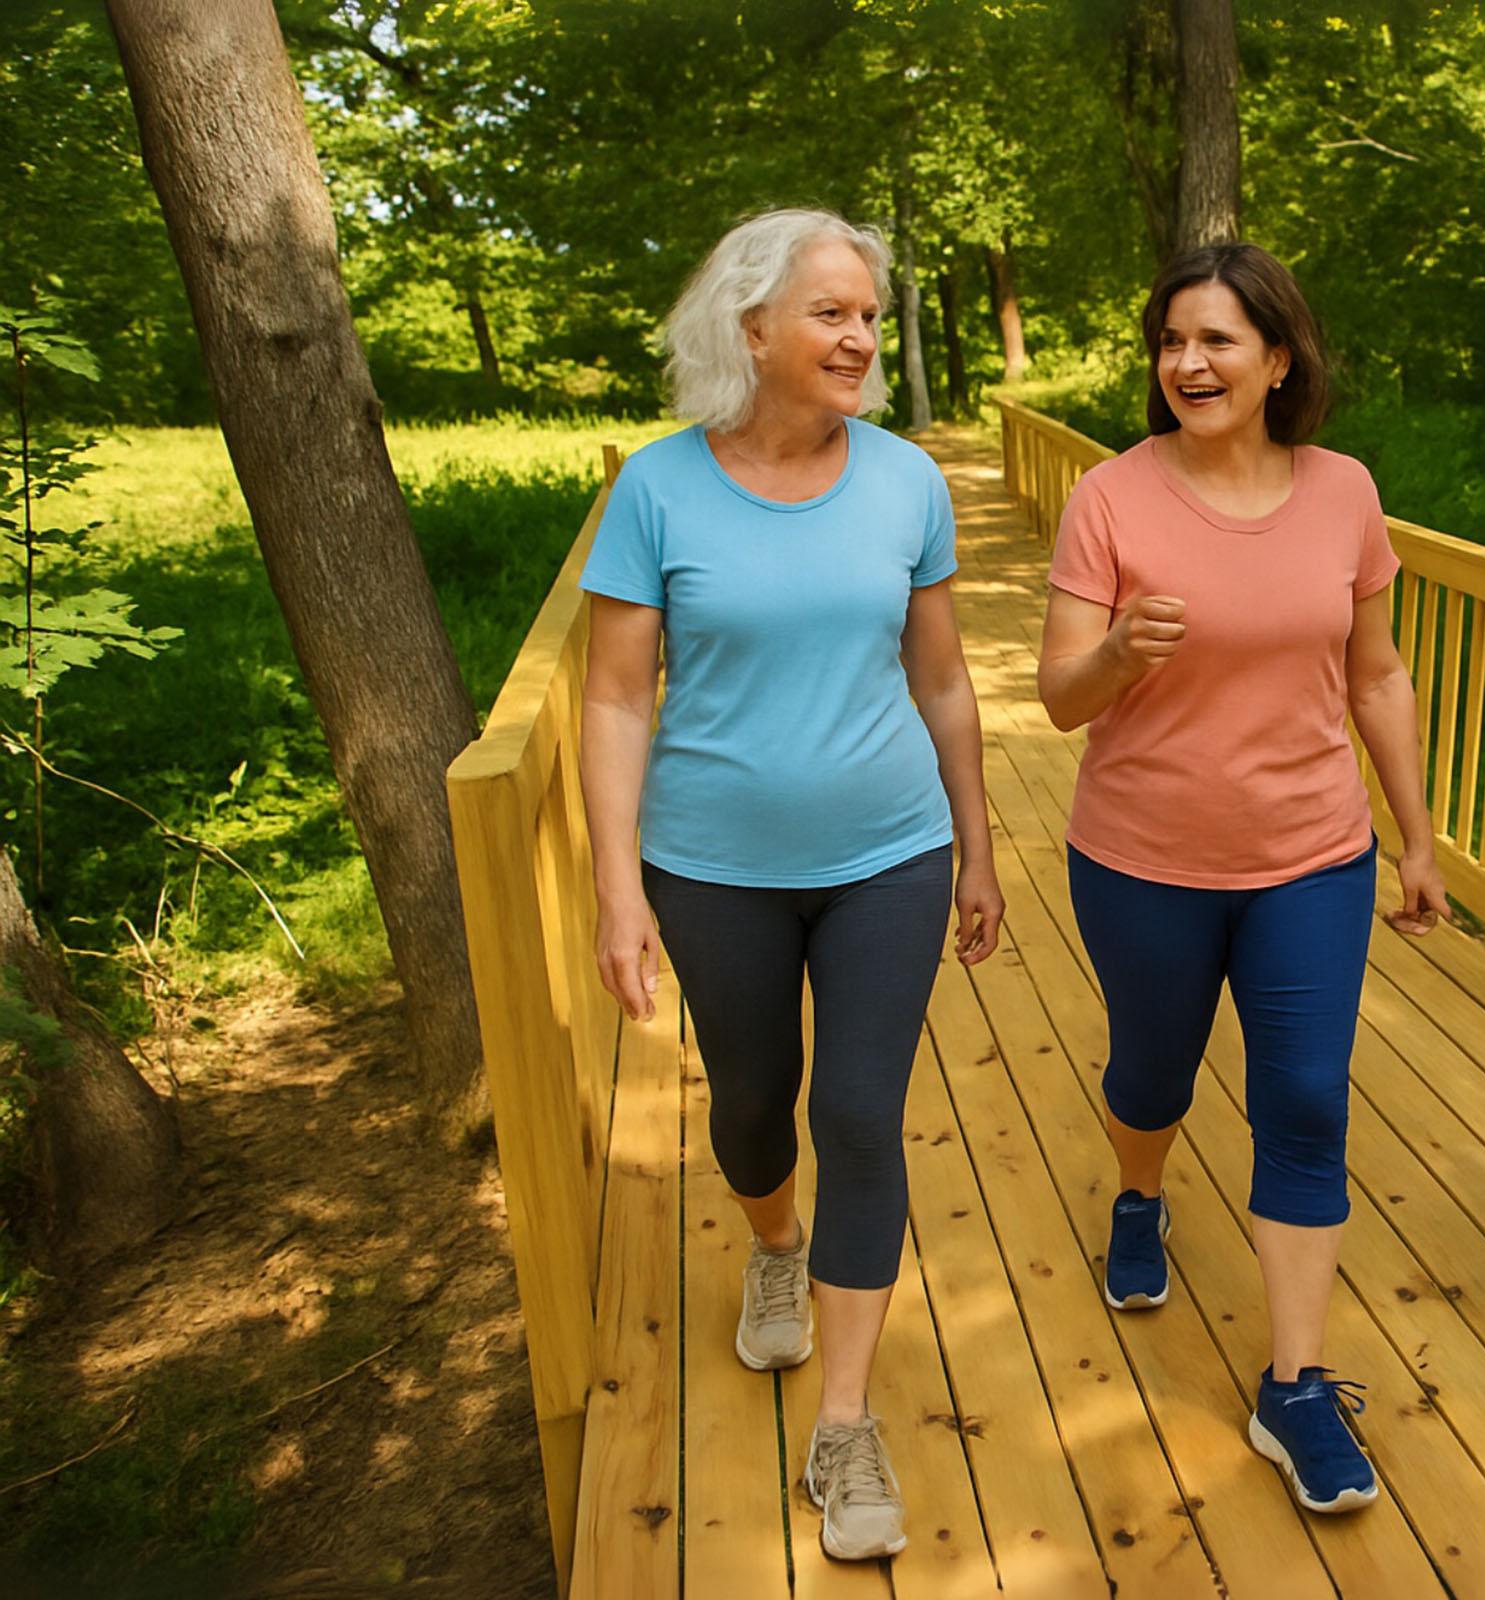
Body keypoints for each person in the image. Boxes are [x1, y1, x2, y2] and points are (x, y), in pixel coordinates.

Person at [578, 208, 1004, 1563]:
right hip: (711, 865)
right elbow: (613, 700)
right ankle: (774, 1243)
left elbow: (942, 677)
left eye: (868, 315)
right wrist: (614, 887)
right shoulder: (656, 488)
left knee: (861, 1113)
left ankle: (845, 1425)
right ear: (749, 326)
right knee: (756, 1109)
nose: (861, 335)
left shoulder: (905, 482)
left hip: (890, 849)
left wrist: (978, 841)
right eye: (832, 311)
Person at [1036, 243, 1447, 1516]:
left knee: (1307, 1100)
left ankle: (1297, 1384)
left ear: (1279, 359)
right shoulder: (1111, 496)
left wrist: (1418, 834)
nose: (1189, 363)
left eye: (1217, 340)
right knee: (1150, 1076)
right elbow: (1058, 699)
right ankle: (1141, 1193)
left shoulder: (1344, 491)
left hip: (1312, 857)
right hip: (1143, 856)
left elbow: (1376, 673)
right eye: (1172, 341)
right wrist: (1115, 653)